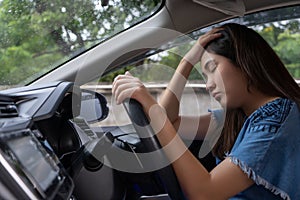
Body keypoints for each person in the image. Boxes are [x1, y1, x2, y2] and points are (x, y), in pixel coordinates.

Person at [112, 23, 300, 199]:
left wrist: (150, 105)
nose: (209, 84)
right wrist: (186, 62)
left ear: (244, 61)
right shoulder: (238, 117)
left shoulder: (275, 119)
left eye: (213, 68)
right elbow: (170, 122)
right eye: (204, 75)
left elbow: (204, 193)